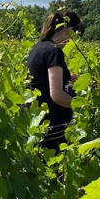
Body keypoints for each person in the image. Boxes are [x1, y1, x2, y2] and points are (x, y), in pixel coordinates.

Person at [26, 11, 85, 151]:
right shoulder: (55, 51)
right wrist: (82, 106)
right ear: (69, 31)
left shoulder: (40, 46)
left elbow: (42, 74)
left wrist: (67, 76)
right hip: (50, 124)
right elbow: (57, 95)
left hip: (35, 119)